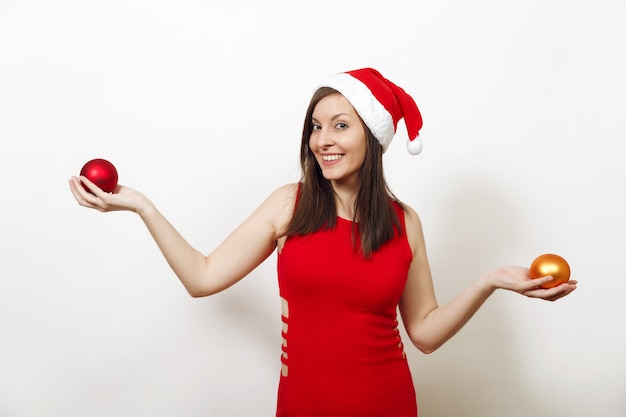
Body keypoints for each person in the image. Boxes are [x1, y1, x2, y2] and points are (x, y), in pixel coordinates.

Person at [68, 68, 577, 417]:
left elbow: (422, 332)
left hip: (388, 405)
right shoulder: (290, 205)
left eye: (340, 125)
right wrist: (143, 207)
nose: (323, 139)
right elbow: (202, 278)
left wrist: (488, 282)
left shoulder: (405, 223)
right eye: (315, 126)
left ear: (373, 138)